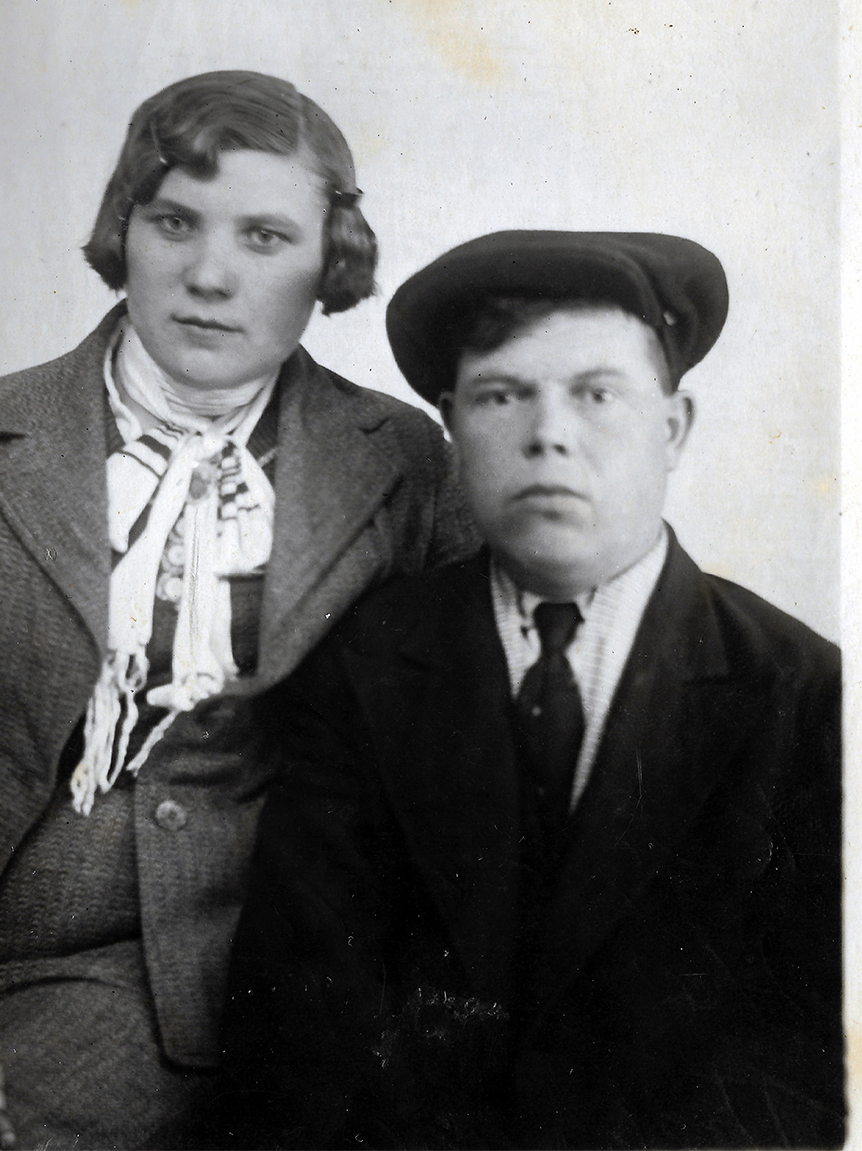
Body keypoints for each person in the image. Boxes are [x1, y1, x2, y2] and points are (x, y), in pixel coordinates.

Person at [0, 70, 478, 1151]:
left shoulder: (403, 461)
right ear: (125, 229)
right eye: (173, 222)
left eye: (265, 237)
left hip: (229, 970)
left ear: (330, 261)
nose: (208, 274)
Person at [221, 231, 844, 1149]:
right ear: (451, 426)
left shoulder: (801, 691)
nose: (548, 434)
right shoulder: (364, 664)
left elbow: (795, 1067)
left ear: (673, 428)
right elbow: (296, 1029)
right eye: (503, 395)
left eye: (597, 394)